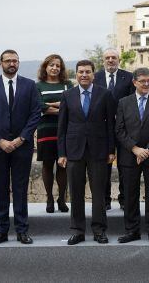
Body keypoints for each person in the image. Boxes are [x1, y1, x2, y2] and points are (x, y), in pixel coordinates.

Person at [0, 49, 41, 246]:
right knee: (0, 189)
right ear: (1, 63)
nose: (12, 64)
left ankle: (22, 231)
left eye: (15, 61)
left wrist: (21, 139)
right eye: (8, 61)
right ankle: (1, 231)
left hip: (22, 146)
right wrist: (0, 140)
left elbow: (35, 114)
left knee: (21, 188)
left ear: (18, 63)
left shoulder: (30, 85)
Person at [57, 59, 117, 245]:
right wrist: (62, 153)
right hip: (74, 150)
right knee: (76, 192)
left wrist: (111, 150)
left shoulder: (105, 94)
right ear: (76, 74)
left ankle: (99, 230)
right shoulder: (67, 95)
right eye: (81, 72)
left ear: (93, 74)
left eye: (88, 72)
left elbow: (111, 124)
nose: (84, 75)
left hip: (98, 150)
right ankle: (77, 230)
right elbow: (62, 127)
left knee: (99, 193)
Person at [114, 67, 149, 244]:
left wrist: (148, 149)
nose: (146, 84)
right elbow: (119, 129)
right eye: (143, 81)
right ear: (134, 82)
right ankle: (132, 230)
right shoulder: (123, 102)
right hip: (130, 155)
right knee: (130, 194)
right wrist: (135, 149)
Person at [94, 48, 134, 210]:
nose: (110, 60)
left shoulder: (129, 77)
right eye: (107, 58)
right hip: (102, 129)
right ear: (103, 60)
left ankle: (124, 199)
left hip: (125, 128)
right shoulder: (95, 77)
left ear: (119, 60)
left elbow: (132, 101)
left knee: (125, 165)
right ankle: (105, 200)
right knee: (104, 166)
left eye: (113, 57)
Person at [35, 54, 72, 213]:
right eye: (51, 65)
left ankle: (61, 199)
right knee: (47, 164)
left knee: (63, 165)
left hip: (65, 130)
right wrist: (61, 108)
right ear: (45, 67)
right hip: (45, 130)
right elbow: (39, 106)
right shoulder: (38, 86)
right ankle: (49, 198)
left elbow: (71, 104)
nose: (54, 68)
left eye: (58, 65)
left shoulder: (67, 84)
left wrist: (50, 106)